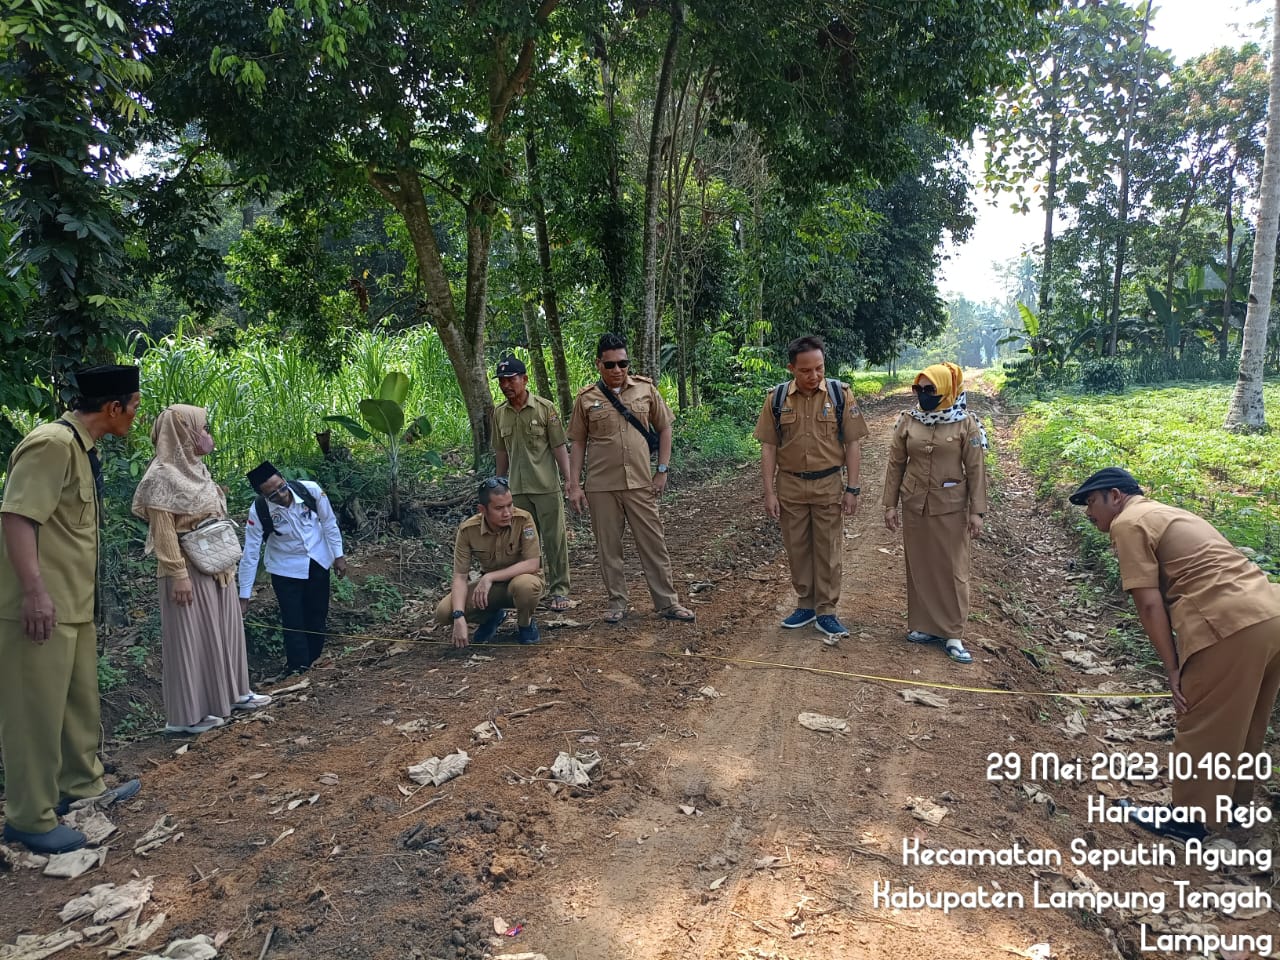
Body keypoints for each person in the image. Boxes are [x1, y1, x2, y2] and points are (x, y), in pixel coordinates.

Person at [1071, 467, 1280, 837]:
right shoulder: (1166, 513)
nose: (1089, 513)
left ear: (1116, 496)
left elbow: (1149, 604)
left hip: (1228, 623)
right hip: (1269, 612)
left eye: (1092, 502)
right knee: (1245, 718)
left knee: (1201, 720)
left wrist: (1172, 669)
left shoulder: (1129, 521)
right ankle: (1230, 808)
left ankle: (1190, 819)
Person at [0, 364, 143, 854]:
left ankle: (81, 787)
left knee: (78, 704)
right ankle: (28, 817)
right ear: (113, 408)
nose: (135, 416)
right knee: (34, 712)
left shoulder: (84, 450)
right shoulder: (52, 445)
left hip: (73, 605)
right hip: (39, 605)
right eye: (135, 406)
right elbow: (17, 517)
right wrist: (35, 592)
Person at [132, 406, 270, 736]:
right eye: (202, 428)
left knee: (225, 631)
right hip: (186, 570)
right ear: (183, 432)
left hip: (216, 564)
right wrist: (178, 573)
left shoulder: (197, 468)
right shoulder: (160, 477)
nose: (207, 435)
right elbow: (163, 532)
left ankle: (234, 694)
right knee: (191, 639)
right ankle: (189, 716)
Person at [566, 333, 695, 625]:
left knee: (653, 543)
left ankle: (667, 602)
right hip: (601, 486)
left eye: (622, 363)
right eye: (610, 364)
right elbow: (577, 443)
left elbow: (665, 429)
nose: (617, 370)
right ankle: (617, 603)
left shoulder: (646, 390)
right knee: (608, 548)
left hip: (640, 483)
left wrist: (662, 470)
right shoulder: (587, 399)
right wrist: (574, 486)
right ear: (599, 364)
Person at [753, 335, 869, 641]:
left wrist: (852, 489)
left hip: (829, 484)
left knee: (828, 548)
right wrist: (769, 492)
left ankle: (827, 611)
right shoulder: (777, 399)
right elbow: (768, 447)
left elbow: (853, 443)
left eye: (819, 368)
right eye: (805, 370)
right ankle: (805, 604)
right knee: (797, 547)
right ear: (792, 368)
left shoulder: (839, 394)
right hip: (790, 484)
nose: (813, 375)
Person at [882, 362, 988, 664]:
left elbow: (976, 468)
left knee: (952, 568)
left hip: (951, 507)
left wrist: (976, 511)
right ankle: (925, 626)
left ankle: (953, 632)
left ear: (946, 390)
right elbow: (895, 464)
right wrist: (890, 505)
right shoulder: (908, 421)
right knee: (920, 565)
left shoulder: (965, 423)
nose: (924, 395)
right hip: (915, 503)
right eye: (919, 389)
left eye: (931, 390)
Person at [239, 461, 347, 676]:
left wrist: (339, 556)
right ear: (263, 495)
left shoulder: (311, 490)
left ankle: (314, 662)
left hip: (317, 559)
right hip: (284, 568)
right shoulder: (259, 511)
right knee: (292, 619)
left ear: (283, 479)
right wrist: (244, 595)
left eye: (281, 486)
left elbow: (328, 522)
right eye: (273, 494)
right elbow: (250, 553)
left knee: (317, 614)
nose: (281, 495)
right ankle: (297, 667)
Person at [492, 356, 572, 612]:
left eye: (511, 379)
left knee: (554, 540)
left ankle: (560, 590)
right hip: (516, 491)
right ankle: (531, 588)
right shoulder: (499, 414)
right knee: (523, 543)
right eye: (502, 381)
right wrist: (499, 486)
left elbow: (559, 446)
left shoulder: (545, 408)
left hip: (546, 486)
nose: (506, 385)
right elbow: (501, 452)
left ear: (524, 379)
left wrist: (570, 480)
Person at [434, 477, 544, 647]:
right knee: (444, 612)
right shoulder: (468, 530)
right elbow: (460, 578)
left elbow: (532, 564)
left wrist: (489, 577)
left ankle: (525, 623)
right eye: (499, 508)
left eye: (510, 504)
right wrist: (458, 616)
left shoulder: (523, 519)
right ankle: (491, 617)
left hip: (521, 581)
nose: (507, 512)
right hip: (491, 590)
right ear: (482, 509)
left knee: (526, 586)